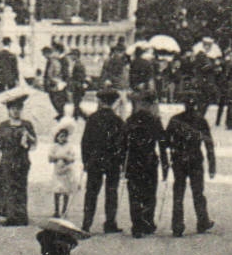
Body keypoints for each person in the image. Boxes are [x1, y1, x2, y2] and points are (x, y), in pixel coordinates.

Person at [0, 91, 37, 226]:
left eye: (18, 108)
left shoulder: (27, 125)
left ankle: (22, 216)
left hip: (22, 160)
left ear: (22, 109)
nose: (16, 111)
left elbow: (34, 144)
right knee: (8, 187)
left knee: (21, 187)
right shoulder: (3, 125)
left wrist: (27, 138)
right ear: (8, 110)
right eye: (13, 109)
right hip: (7, 160)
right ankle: (11, 216)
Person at [165, 97, 216, 237]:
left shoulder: (175, 120)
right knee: (198, 192)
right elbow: (209, 144)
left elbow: (166, 140)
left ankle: (177, 225)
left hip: (179, 160)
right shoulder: (201, 121)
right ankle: (202, 221)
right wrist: (212, 165)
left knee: (178, 192)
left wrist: (173, 148)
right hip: (195, 159)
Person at [80, 88, 127, 234]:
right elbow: (123, 144)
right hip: (112, 162)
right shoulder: (118, 121)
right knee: (111, 192)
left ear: (100, 101)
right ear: (114, 103)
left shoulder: (92, 119)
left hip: (95, 161)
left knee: (91, 193)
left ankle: (86, 223)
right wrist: (121, 162)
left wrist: (85, 161)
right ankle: (110, 223)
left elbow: (85, 142)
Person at [123, 91, 167, 238]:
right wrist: (165, 166)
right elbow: (162, 145)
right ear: (151, 105)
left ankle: (137, 225)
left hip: (133, 162)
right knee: (149, 193)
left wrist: (122, 165)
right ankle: (148, 222)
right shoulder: (155, 121)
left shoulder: (130, 120)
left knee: (134, 194)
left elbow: (122, 144)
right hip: (149, 162)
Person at [48, 122, 79, 218]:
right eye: (60, 136)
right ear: (57, 137)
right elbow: (50, 158)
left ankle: (64, 210)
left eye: (64, 136)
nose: (62, 139)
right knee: (57, 191)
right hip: (57, 172)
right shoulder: (54, 147)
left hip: (67, 171)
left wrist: (66, 158)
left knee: (66, 191)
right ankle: (56, 210)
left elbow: (73, 158)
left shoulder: (69, 147)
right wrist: (58, 156)